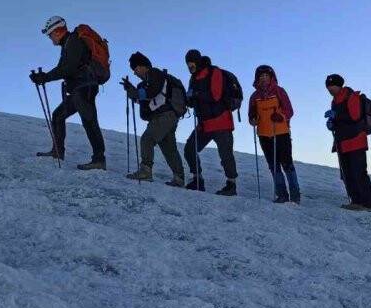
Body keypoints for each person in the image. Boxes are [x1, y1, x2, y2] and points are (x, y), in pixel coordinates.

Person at [30, 16, 106, 170]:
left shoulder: (73, 42)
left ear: (57, 31)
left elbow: (67, 68)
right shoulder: (68, 45)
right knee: (58, 115)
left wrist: (45, 77)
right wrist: (44, 77)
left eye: (50, 34)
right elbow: (63, 69)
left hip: (85, 87)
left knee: (89, 121)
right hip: (80, 87)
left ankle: (99, 160)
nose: (50, 38)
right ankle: (58, 151)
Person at [120, 51, 185, 187]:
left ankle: (145, 171)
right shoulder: (148, 81)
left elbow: (152, 92)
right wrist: (132, 90)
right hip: (169, 116)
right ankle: (179, 178)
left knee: (147, 139)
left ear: (143, 66)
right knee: (168, 147)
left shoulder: (154, 73)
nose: (135, 72)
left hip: (164, 115)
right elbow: (147, 99)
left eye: (135, 68)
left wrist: (135, 92)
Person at [183, 49, 238, 195]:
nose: (190, 66)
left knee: (225, 154)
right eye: (188, 64)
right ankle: (197, 180)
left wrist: (196, 94)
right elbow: (194, 101)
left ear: (198, 60)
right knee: (189, 149)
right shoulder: (193, 79)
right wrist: (189, 99)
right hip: (204, 124)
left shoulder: (214, 72)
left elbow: (216, 95)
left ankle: (231, 185)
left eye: (192, 63)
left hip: (221, 122)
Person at [248, 65, 301, 204]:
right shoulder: (254, 97)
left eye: (266, 76)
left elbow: (289, 110)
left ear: (271, 77)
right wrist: (253, 118)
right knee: (273, 165)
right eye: (261, 76)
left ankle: (295, 196)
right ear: (257, 79)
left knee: (287, 163)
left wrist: (281, 116)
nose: (264, 79)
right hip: (264, 134)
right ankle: (282, 195)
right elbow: (251, 115)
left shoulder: (279, 91)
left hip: (281, 132)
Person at [325, 74, 371, 212]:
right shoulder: (334, 101)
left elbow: (355, 116)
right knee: (347, 173)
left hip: (356, 140)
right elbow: (341, 121)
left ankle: (368, 204)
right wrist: (332, 123)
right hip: (342, 141)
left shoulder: (351, 96)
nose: (329, 89)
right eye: (328, 86)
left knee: (358, 172)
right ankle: (356, 201)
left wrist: (336, 116)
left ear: (339, 85)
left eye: (332, 86)